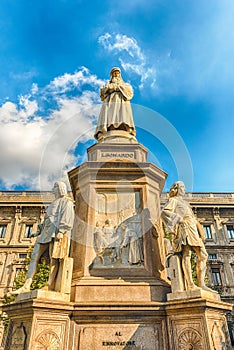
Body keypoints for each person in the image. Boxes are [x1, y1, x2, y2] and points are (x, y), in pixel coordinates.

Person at [12, 181, 74, 294]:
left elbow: (67, 217)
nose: (52, 190)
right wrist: (37, 232)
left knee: (54, 259)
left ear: (60, 188)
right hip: (44, 235)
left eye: (55, 187)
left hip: (55, 234)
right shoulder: (52, 204)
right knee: (34, 257)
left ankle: (50, 286)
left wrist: (61, 231)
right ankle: (26, 285)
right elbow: (46, 220)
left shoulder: (66, 202)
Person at [161, 181, 212, 292]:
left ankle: (201, 284)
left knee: (203, 255)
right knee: (186, 254)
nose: (184, 189)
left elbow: (193, 218)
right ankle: (190, 284)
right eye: (182, 187)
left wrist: (201, 230)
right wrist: (179, 220)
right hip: (184, 229)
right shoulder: (173, 200)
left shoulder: (185, 203)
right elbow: (164, 212)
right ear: (176, 189)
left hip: (193, 229)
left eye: (184, 187)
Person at [94, 67, 136, 140]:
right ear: (112, 75)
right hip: (110, 102)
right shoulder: (107, 84)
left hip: (122, 101)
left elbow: (129, 93)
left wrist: (117, 87)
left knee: (123, 114)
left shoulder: (125, 85)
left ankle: (126, 127)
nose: (116, 74)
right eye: (114, 73)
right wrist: (113, 87)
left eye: (117, 72)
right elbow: (103, 91)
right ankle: (107, 128)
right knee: (109, 114)